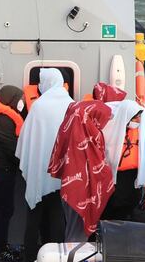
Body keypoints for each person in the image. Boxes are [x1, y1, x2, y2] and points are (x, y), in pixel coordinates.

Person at [16, 69, 71, 262]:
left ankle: (30, 258)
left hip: (39, 171)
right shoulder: (70, 104)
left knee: (34, 216)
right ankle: (57, 258)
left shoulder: (39, 106)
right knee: (58, 215)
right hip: (61, 172)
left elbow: (26, 139)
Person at [48, 100, 114, 242]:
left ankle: (69, 260)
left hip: (71, 192)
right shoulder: (89, 137)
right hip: (81, 195)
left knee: (71, 231)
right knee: (76, 237)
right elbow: (99, 169)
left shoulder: (73, 131)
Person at [0, 85, 24, 261]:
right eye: (19, 99)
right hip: (2, 169)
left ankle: (1, 244)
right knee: (4, 209)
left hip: (4, 168)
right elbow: (12, 148)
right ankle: (0, 248)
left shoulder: (3, 117)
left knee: (3, 208)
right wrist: (26, 162)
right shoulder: (2, 119)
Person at [100, 100, 145, 220]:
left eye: (140, 117)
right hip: (116, 177)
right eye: (135, 118)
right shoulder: (111, 129)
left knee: (131, 205)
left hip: (134, 176)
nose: (139, 120)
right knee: (113, 206)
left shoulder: (142, 130)